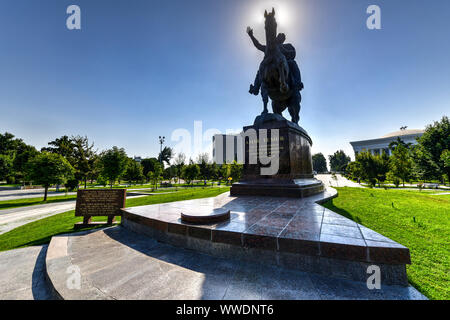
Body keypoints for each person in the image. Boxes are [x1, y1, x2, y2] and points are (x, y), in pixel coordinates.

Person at [246, 27, 303, 96]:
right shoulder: (268, 47)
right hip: (267, 63)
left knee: (292, 63)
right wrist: (251, 36)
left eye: (282, 37)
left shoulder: (284, 46)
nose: (279, 38)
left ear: (283, 40)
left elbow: (292, 52)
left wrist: (285, 50)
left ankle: (297, 83)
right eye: (279, 36)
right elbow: (258, 45)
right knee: (260, 72)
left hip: (282, 63)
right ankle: (255, 88)